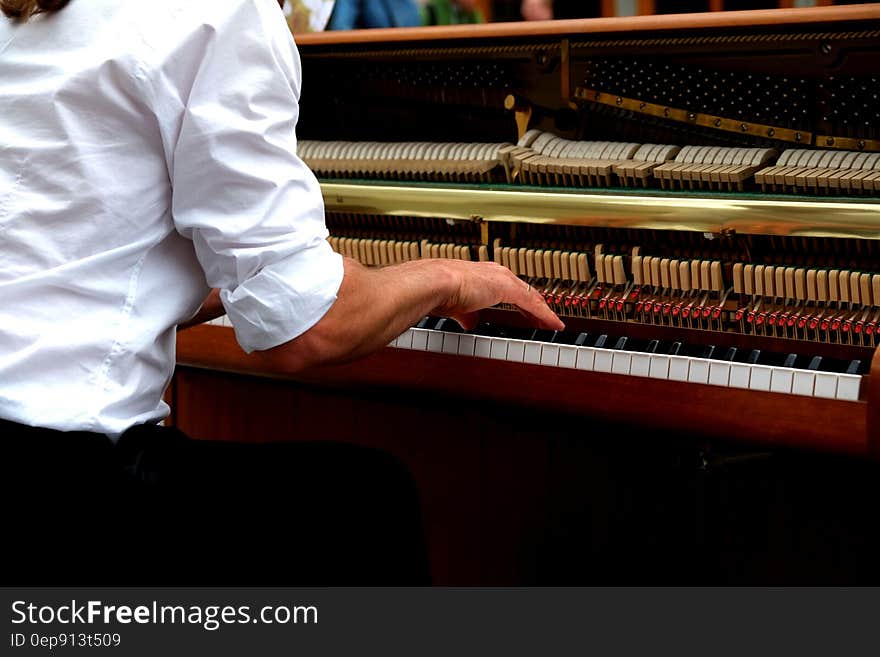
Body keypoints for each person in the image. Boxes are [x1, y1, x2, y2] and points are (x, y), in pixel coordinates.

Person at [0, 0, 562, 585]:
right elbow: (313, 332)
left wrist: (255, 291)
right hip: (64, 501)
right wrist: (450, 278)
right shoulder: (212, 12)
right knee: (367, 501)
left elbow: (67, 272)